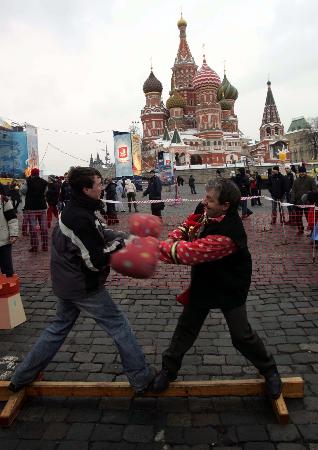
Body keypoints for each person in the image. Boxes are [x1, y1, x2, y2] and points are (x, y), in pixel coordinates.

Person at [9, 166, 155, 395]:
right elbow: (95, 260)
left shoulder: (80, 209)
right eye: (98, 184)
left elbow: (102, 232)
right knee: (119, 326)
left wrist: (130, 238)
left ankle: (21, 376)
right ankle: (141, 379)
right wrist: (125, 247)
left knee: (58, 329)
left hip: (67, 281)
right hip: (82, 285)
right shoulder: (78, 217)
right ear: (86, 189)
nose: (102, 187)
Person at [151, 178, 282, 400]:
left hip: (230, 285)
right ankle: (168, 371)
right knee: (186, 329)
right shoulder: (206, 211)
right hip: (205, 280)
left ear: (225, 206)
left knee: (241, 336)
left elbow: (188, 253)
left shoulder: (229, 234)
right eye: (205, 196)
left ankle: (270, 370)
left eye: (210, 200)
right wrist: (173, 237)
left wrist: (150, 249)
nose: (204, 202)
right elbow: (188, 226)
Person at [24, 168, 48, 252]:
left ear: (32, 174)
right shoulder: (44, 182)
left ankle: (35, 246)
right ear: (38, 174)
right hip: (41, 207)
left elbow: (23, 191)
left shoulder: (27, 181)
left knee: (33, 229)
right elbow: (45, 192)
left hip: (31, 207)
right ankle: (45, 246)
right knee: (44, 228)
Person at [291, 166, 317, 235]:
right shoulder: (296, 181)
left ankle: (312, 231)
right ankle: (300, 229)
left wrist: (310, 199)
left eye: (303, 172)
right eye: (300, 172)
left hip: (308, 203)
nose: (302, 173)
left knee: (309, 218)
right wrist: (292, 200)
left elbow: (315, 191)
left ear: (305, 172)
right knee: (298, 218)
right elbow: (293, 191)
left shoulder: (311, 179)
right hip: (298, 202)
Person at [0, 185, 18, 276]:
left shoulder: (3, 200)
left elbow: (12, 218)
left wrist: (13, 234)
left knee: (7, 269)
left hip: (3, 241)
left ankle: (10, 288)